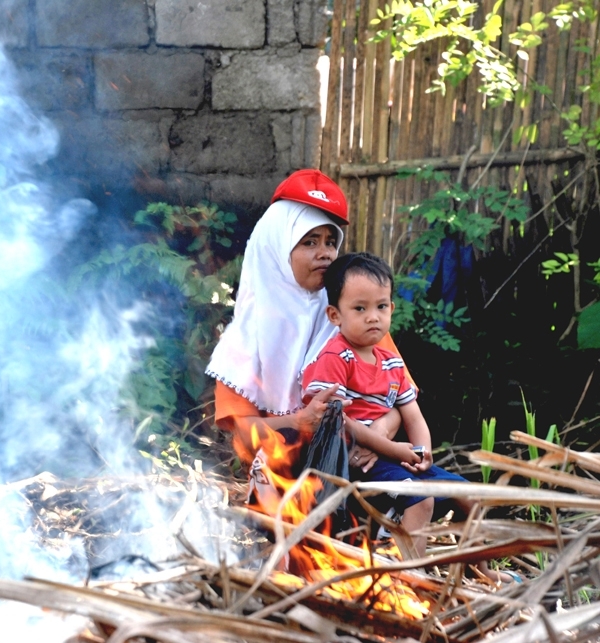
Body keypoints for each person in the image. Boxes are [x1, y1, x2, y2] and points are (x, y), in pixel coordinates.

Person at [302, 252, 517, 582]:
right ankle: (410, 576)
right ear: (335, 314)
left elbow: (413, 416)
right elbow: (336, 422)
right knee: (421, 501)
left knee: (469, 496)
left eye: (382, 306)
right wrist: (397, 450)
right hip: (355, 466)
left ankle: (480, 569)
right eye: (360, 308)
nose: (373, 317)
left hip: (393, 458)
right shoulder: (335, 357)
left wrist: (421, 452)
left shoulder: (391, 362)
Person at [205, 170, 403, 509]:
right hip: (286, 485)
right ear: (277, 248)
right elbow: (243, 433)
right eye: (309, 242)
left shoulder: (353, 317)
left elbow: (398, 402)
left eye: (330, 241)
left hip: (356, 468)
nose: (325, 253)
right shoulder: (244, 341)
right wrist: (297, 422)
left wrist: (378, 435)